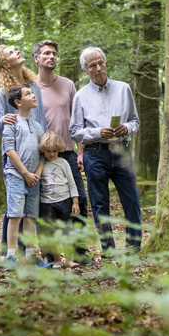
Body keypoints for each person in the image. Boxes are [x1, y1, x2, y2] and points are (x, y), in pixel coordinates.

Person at [70, 47, 142, 253]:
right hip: (95, 153)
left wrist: (126, 127)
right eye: (93, 65)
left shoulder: (123, 89)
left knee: (132, 200)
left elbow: (135, 121)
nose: (99, 68)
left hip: (121, 151)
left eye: (101, 63)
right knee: (100, 204)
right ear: (86, 70)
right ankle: (108, 251)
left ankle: (133, 248)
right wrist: (98, 132)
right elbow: (74, 131)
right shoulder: (81, 96)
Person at [32, 39, 94, 264]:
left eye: (54, 53)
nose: (51, 57)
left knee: (80, 200)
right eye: (46, 53)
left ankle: (79, 252)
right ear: (37, 58)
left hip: (67, 152)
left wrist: (80, 152)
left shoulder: (68, 85)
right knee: (43, 206)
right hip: (40, 156)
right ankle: (50, 255)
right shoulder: (30, 86)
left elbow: (78, 121)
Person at [0, 44, 48, 259]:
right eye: (12, 52)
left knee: (31, 210)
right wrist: (3, 120)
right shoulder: (2, 92)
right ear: (5, 63)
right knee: (14, 208)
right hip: (15, 154)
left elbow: (40, 117)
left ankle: (31, 254)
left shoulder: (34, 85)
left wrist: (46, 144)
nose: (18, 52)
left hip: (36, 148)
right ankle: (10, 254)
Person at [2, 84, 49, 267]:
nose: (33, 95)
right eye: (28, 94)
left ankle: (30, 255)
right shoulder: (12, 123)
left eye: (32, 92)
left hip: (34, 179)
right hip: (16, 175)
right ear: (18, 102)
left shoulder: (37, 127)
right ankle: (11, 256)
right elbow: (9, 150)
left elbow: (44, 153)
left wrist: (36, 174)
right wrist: (25, 173)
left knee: (30, 216)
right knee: (15, 215)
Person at [38, 131, 80, 269]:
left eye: (55, 151)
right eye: (48, 151)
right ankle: (57, 260)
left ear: (59, 150)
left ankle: (68, 260)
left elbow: (71, 182)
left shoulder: (63, 163)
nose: (51, 154)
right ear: (43, 150)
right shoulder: (41, 164)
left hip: (64, 201)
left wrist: (75, 202)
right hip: (47, 203)